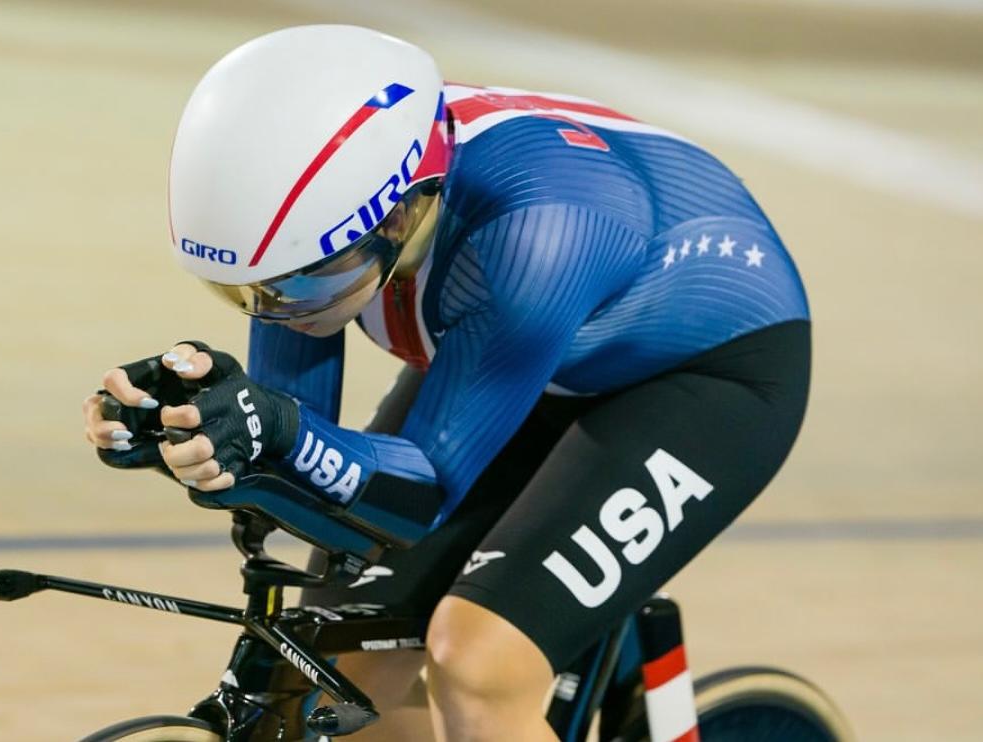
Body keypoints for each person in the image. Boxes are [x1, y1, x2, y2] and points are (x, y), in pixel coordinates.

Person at [82, 25, 811, 742]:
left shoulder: (535, 235)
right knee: (333, 665)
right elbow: (293, 444)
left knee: (479, 664)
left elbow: (414, 495)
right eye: (241, 290)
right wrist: (193, 430)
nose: (276, 311)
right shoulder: (322, 222)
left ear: (405, 212)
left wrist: (275, 431)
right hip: (520, 357)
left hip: (701, 382)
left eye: (305, 279)